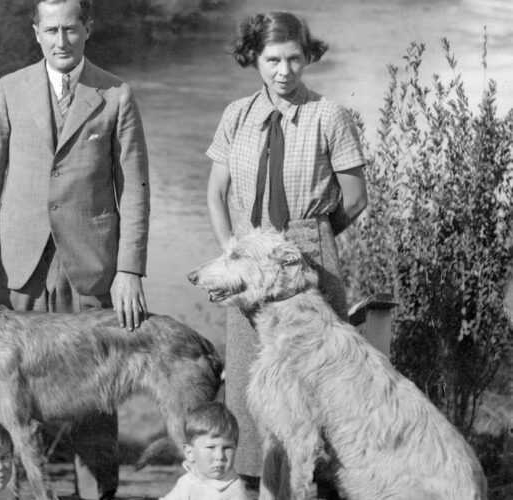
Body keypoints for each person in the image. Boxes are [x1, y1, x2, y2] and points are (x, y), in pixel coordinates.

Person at [0, 0, 151, 498]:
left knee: (94, 400)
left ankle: (96, 494)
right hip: (18, 269)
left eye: (70, 29)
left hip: (89, 270)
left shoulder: (115, 94)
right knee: (7, 401)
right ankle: (8, 492)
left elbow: (135, 189)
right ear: (36, 33)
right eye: (51, 30)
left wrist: (129, 269)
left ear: (88, 29)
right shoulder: (10, 89)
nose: (61, 41)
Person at [205, 11, 367, 497]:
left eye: (294, 58)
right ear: (254, 58)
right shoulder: (236, 114)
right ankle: (255, 488)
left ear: (307, 56)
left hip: (307, 262)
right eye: (272, 59)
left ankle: (321, 488)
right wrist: (233, 256)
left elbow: (355, 197)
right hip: (248, 266)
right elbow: (216, 194)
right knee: (251, 390)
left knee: (319, 387)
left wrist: (312, 237)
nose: (284, 71)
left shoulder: (329, 116)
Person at [160, 402, 250, 500]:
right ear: (190, 453)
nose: (220, 456)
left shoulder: (234, 491)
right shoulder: (187, 481)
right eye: (211, 447)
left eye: (227, 448)